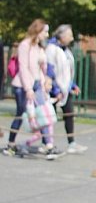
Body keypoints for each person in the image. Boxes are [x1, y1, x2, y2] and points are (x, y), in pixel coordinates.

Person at [3, 19, 61, 158]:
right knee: (21, 114)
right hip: (23, 86)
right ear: (37, 31)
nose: (47, 35)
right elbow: (23, 68)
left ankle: (48, 145)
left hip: (37, 85)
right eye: (45, 32)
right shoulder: (25, 45)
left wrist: (44, 82)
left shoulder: (39, 47)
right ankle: (11, 144)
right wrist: (28, 89)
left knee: (45, 113)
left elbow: (41, 69)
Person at [46, 24, 86, 154]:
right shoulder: (51, 49)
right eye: (69, 35)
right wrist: (56, 90)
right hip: (54, 89)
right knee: (50, 117)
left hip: (65, 89)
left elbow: (66, 71)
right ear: (61, 35)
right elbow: (50, 70)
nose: (72, 38)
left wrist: (71, 85)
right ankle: (47, 143)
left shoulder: (66, 50)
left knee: (69, 114)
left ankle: (71, 143)